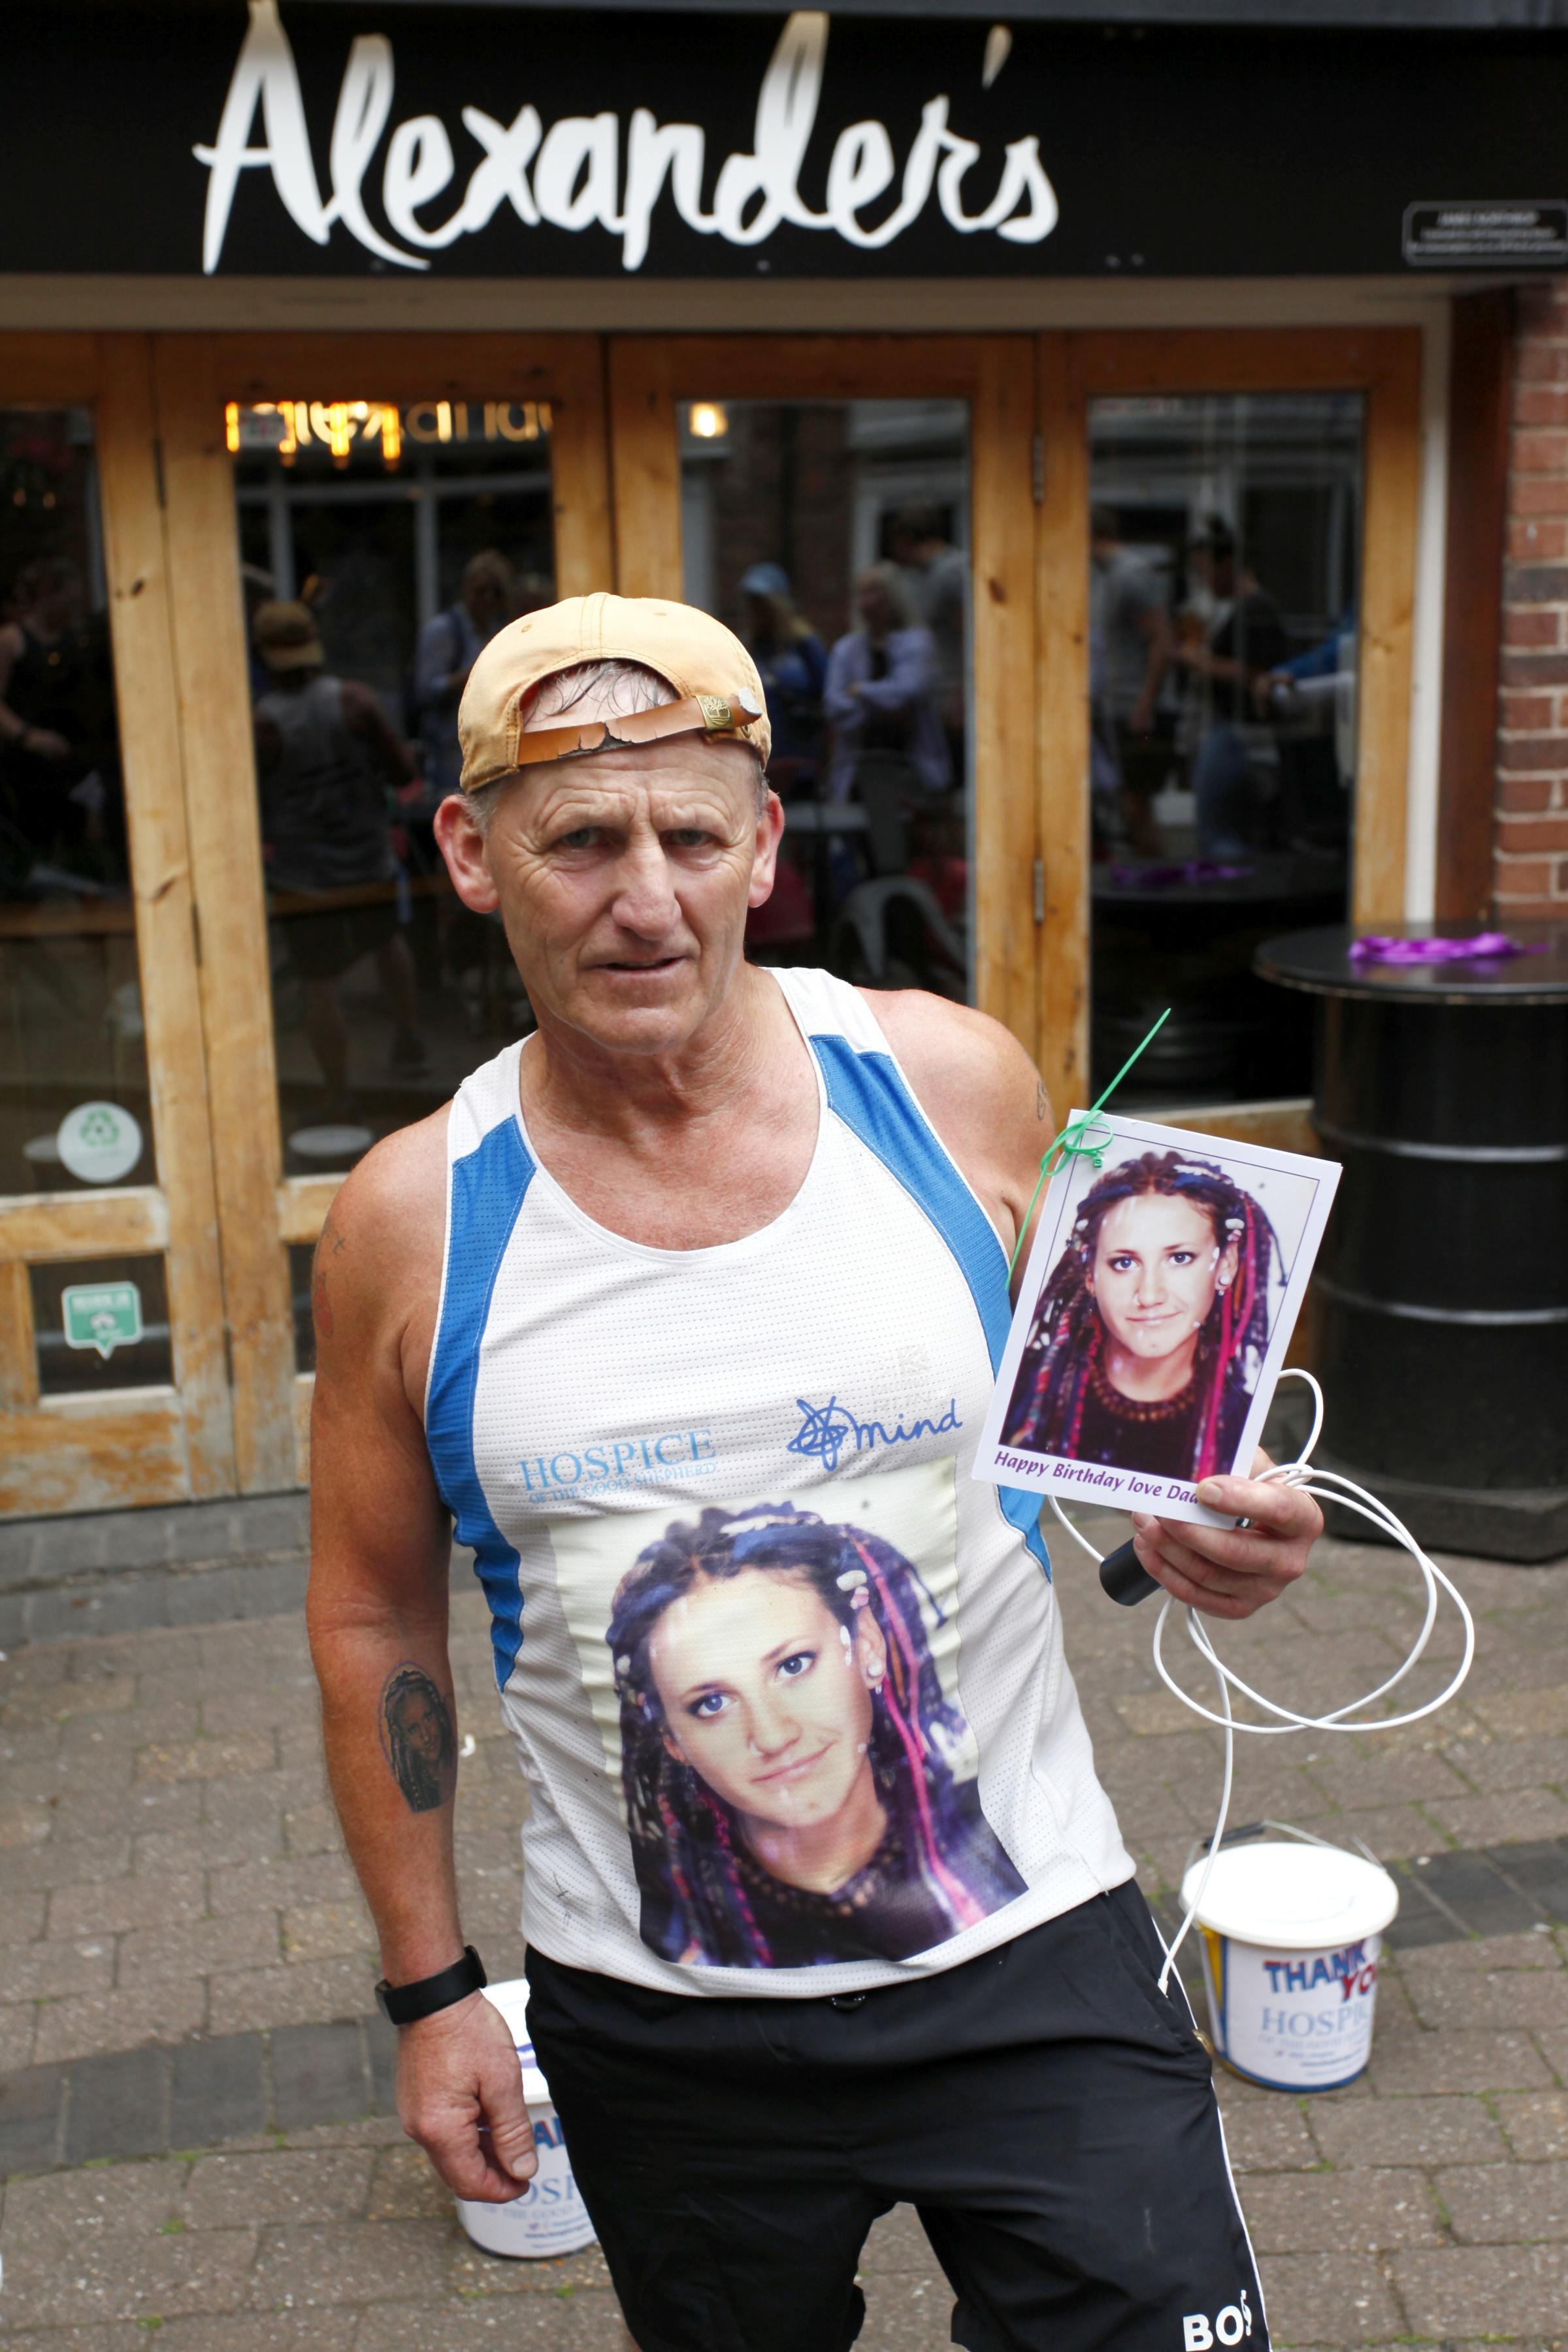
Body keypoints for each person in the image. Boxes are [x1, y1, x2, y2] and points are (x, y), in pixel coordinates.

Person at [306, 593, 1322, 2352]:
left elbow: (1104, 1420)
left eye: (693, 835)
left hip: (1032, 1950)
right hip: (663, 2010)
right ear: (472, 852)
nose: (648, 897)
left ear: (764, 844)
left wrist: (1201, 1532)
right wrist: (432, 1993)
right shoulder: (412, 1215)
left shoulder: (943, 1083)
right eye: (582, 844)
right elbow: (371, 1610)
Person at [610, 1502, 1025, 1968]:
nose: (772, 1736)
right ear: (670, 1735)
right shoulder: (656, 1925)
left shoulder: (1007, 1843)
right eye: (711, 1703)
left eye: (793, 1665)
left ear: (867, 1643)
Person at [1002, 1149, 1275, 1483]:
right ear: (1090, 1273)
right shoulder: (1022, 1404)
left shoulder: (1238, 1425)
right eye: (1124, 1263)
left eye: (1180, 1258)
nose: (1149, 1295)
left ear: (1226, 1263)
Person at [252, 599, 428, 1091]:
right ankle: (409, 1040)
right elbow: (402, 774)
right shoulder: (356, 703)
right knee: (388, 944)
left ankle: (338, 1091)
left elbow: (251, 808)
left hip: (303, 874)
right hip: (365, 859)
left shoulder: (260, 726)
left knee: (318, 981)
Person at [1172, 519, 1287, 860]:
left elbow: (1257, 672)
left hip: (1240, 734)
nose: (1204, 583)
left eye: (1205, 572)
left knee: (1219, 837)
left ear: (1226, 565)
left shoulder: (1256, 609)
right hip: (1233, 730)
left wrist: (1199, 661)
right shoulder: (1240, 610)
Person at [823, 560, 949, 800]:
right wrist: (884, 708)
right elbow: (834, 707)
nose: (865, 602)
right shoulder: (846, 650)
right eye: (860, 593)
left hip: (911, 769)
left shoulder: (918, 643)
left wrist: (861, 691)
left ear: (891, 596)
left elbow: (909, 692)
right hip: (857, 774)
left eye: (873, 592)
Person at [1089, 506, 1173, 857]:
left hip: (1136, 710)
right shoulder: (1103, 576)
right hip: (1114, 707)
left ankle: (1157, 883)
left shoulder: (1131, 574)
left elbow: (1161, 639)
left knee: (1135, 804)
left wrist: (1145, 702)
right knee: (1125, 804)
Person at [410, 549, 515, 800]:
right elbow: (423, 691)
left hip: (488, 754)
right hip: (446, 757)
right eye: (482, 590)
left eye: (496, 592)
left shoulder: (496, 631)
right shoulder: (443, 631)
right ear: (467, 588)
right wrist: (468, 679)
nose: (488, 599)